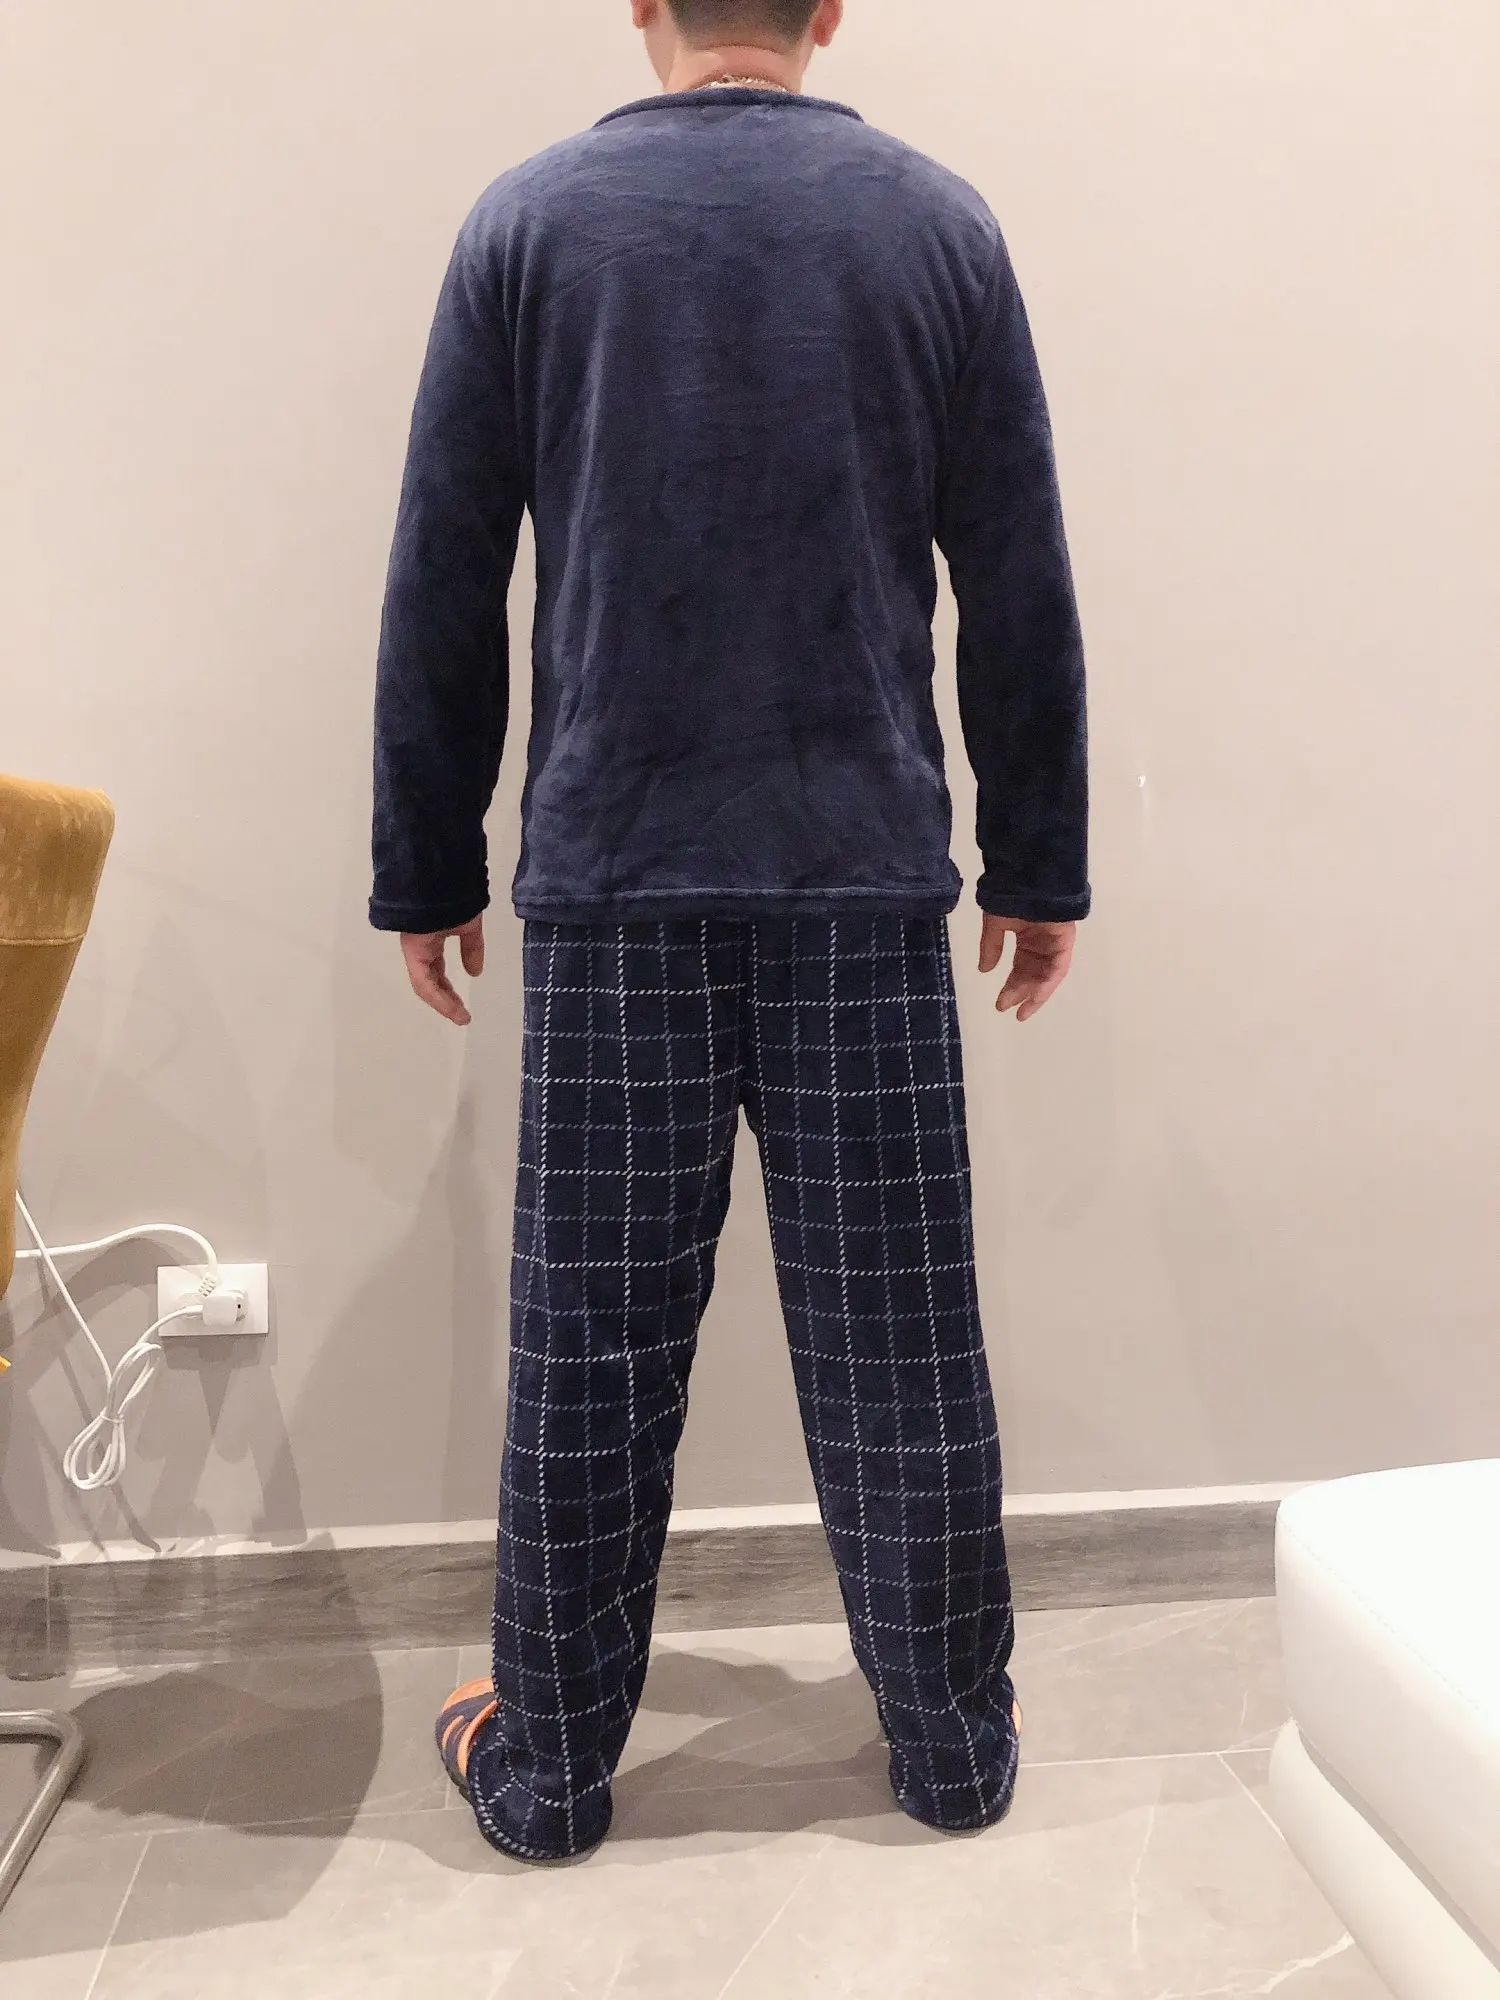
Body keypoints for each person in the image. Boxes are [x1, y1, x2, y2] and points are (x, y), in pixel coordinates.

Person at [370, 0, 1088, 1864]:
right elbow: (1016, 565)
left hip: (618, 880)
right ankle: (953, 1747)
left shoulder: (528, 227)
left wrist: (425, 864)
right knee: (898, 1341)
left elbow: (446, 560)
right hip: (861, 877)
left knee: (592, 1351)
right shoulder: (938, 228)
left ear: (642, 5)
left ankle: (548, 1772)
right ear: (829, 10)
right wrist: (1040, 860)